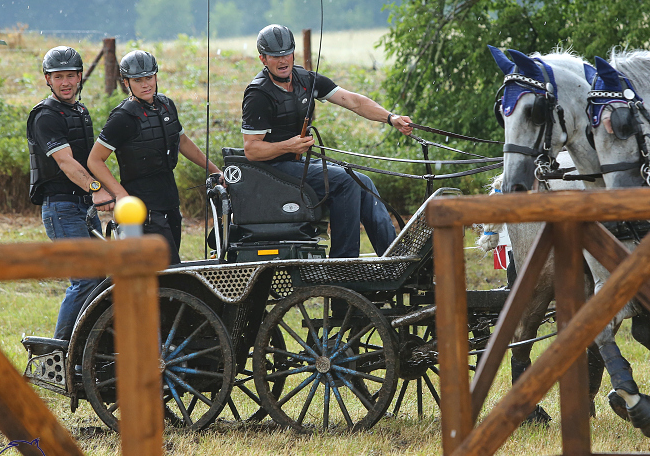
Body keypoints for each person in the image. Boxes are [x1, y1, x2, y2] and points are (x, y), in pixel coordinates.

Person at [241, 24, 412, 258]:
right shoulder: (258, 94)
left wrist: (391, 118)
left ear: (293, 53)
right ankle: (344, 261)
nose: (282, 61)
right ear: (263, 58)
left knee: (363, 181)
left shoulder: (305, 80)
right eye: (274, 56)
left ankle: (395, 256)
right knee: (343, 181)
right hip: (271, 170)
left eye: (286, 54)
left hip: (297, 164)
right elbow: (251, 150)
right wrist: (288, 146)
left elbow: (353, 101)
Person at [87, 50, 223, 265]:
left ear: (156, 76)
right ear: (126, 82)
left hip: (169, 197)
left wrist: (215, 170)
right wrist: (121, 194)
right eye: (138, 80)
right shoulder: (123, 117)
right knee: (165, 271)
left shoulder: (166, 105)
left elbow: (183, 142)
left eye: (149, 77)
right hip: (141, 205)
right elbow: (94, 160)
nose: (145, 84)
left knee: (172, 269)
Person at [26, 46, 115, 341]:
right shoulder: (45, 116)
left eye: (70, 76)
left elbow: (90, 160)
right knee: (86, 278)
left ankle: (87, 348)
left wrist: (111, 191)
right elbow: (66, 163)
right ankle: (58, 352)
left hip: (83, 209)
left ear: (79, 78)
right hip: (61, 209)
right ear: (48, 80)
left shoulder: (80, 111)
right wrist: (97, 189)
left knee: (100, 278)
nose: (65, 82)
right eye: (58, 77)